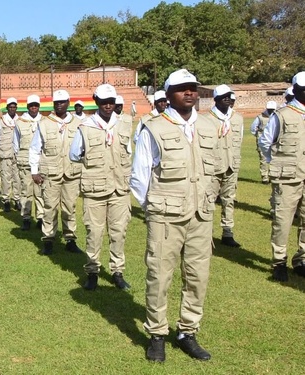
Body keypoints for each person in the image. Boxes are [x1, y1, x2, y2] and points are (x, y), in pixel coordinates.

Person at [131, 69, 219, 362]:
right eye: (182, 89)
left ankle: (187, 332)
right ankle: (157, 334)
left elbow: (213, 170)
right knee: (159, 275)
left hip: (201, 214)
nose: (189, 93)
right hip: (165, 216)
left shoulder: (208, 125)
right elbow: (140, 176)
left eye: (192, 88)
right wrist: (154, 207)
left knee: (197, 275)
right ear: (168, 95)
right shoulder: (153, 127)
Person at [69, 84, 133, 291]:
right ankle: (93, 272)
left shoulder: (124, 124)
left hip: (119, 189)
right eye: (104, 101)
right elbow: (74, 154)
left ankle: (117, 272)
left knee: (118, 232)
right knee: (94, 233)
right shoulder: (86, 126)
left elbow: (129, 152)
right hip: (95, 190)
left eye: (111, 102)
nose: (108, 105)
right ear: (96, 101)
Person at [259, 71, 305, 281]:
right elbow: (265, 142)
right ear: (295, 90)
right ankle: (279, 261)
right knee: (283, 220)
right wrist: (276, 162)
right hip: (288, 176)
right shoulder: (282, 114)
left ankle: (301, 259)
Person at [30, 91, 83, 255]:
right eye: (56, 102)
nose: (59, 104)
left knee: (70, 207)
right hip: (50, 174)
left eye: (62, 102)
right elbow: (35, 148)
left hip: (71, 174)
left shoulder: (79, 123)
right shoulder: (44, 123)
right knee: (49, 207)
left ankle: (70, 239)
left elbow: (84, 149)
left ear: (68, 102)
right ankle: (48, 240)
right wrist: (34, 171)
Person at [202, 84, 244, 248]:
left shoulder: (237, 118)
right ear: (216, 99)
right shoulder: (206, 119)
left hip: (231, 165)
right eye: (223, 97)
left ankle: (228, 232)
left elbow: (239, 140)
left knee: (229, 200)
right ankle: (206, 235)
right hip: (213, 167)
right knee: (209, 200)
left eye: (229, 96)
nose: (227, 99)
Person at [16, 94, 44, 230]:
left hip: (40, 161)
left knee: (40, 191)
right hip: (25, 160)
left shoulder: (44, 121)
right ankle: (26, 217)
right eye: (31, 105)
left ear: (39, 106)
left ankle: (41, 217)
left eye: (36, 105)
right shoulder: (20, 122)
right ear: (27, 106)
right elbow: (15, 143)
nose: (34, 107)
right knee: (26, 190)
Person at [0, 98, 21, 213]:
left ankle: (17, 199)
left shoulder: (20, 120)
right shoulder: (1, 121)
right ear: (7, 108)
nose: (12, 109)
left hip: (18, 154)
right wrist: (4, 146)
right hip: (5, 153)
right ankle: (6, 200)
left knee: (18, 178)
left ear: (16, 108)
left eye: (14, 107)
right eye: (10, 107)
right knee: (5, 178)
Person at [250, 101, 276, 184]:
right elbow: (253, 128)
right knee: (263, 159)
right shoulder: (260, 117)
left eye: (272, 109)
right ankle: (265, 177)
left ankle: (273, 176)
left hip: (274, 140)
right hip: (262, 139)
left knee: (275, 159)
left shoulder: (277, 116)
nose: (271, 111)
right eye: (269, 109)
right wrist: (258, 136)